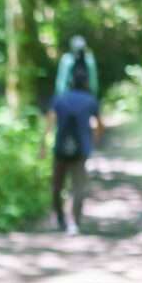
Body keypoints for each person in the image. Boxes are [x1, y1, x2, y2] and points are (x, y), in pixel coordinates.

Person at [40, 67, 104, 235]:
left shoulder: (59, 99)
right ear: (86, 82)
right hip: (81, 149)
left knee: (57, 186)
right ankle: (74, 222)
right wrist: (94, 143)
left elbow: (49, 123)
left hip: (60, 148)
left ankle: (60, 219)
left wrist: (43, 146)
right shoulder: (90, 100)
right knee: (78, 187)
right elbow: (99, 125)